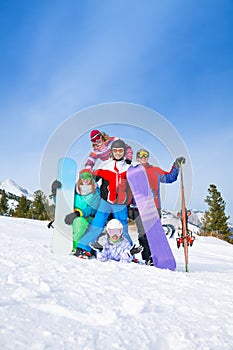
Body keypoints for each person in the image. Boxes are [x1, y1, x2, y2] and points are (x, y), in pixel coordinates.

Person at [74, 139, 134, 259]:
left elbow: (136, 184)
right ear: (112, 151)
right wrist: (80, 184)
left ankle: (128, 251)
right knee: (97, 225)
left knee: (123, 228)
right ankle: (82, 248)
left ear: (124, 152)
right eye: (115, 150)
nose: (118, 153)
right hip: (105, 202)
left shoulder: (129, 168)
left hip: (121, 204)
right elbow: (91, 179)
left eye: (120, 151)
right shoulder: (105, 166)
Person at [130, 148, 185, 265]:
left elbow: (170, 178)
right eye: (141, 156)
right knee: (143, 235)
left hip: (154, 207)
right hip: (138, 207)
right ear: (137, 158)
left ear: (148, 158)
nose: (143, 158)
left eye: (145, 156)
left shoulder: (155, 170)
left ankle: (156, 256)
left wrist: (176, 166)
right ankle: (148, 257)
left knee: (154, 234)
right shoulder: (132, 172)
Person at [50, 169, 101, 251]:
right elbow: (62, 203)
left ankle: (75, 246)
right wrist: (55, 193)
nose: (85, 179)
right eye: (82, 176)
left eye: (88, 176)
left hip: (86, 217)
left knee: (80, 223)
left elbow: (93, 209)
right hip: (70, 215)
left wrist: (78, 213)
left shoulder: (95, 192)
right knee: (66, 223)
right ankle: (64, 242)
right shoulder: (74, 189)